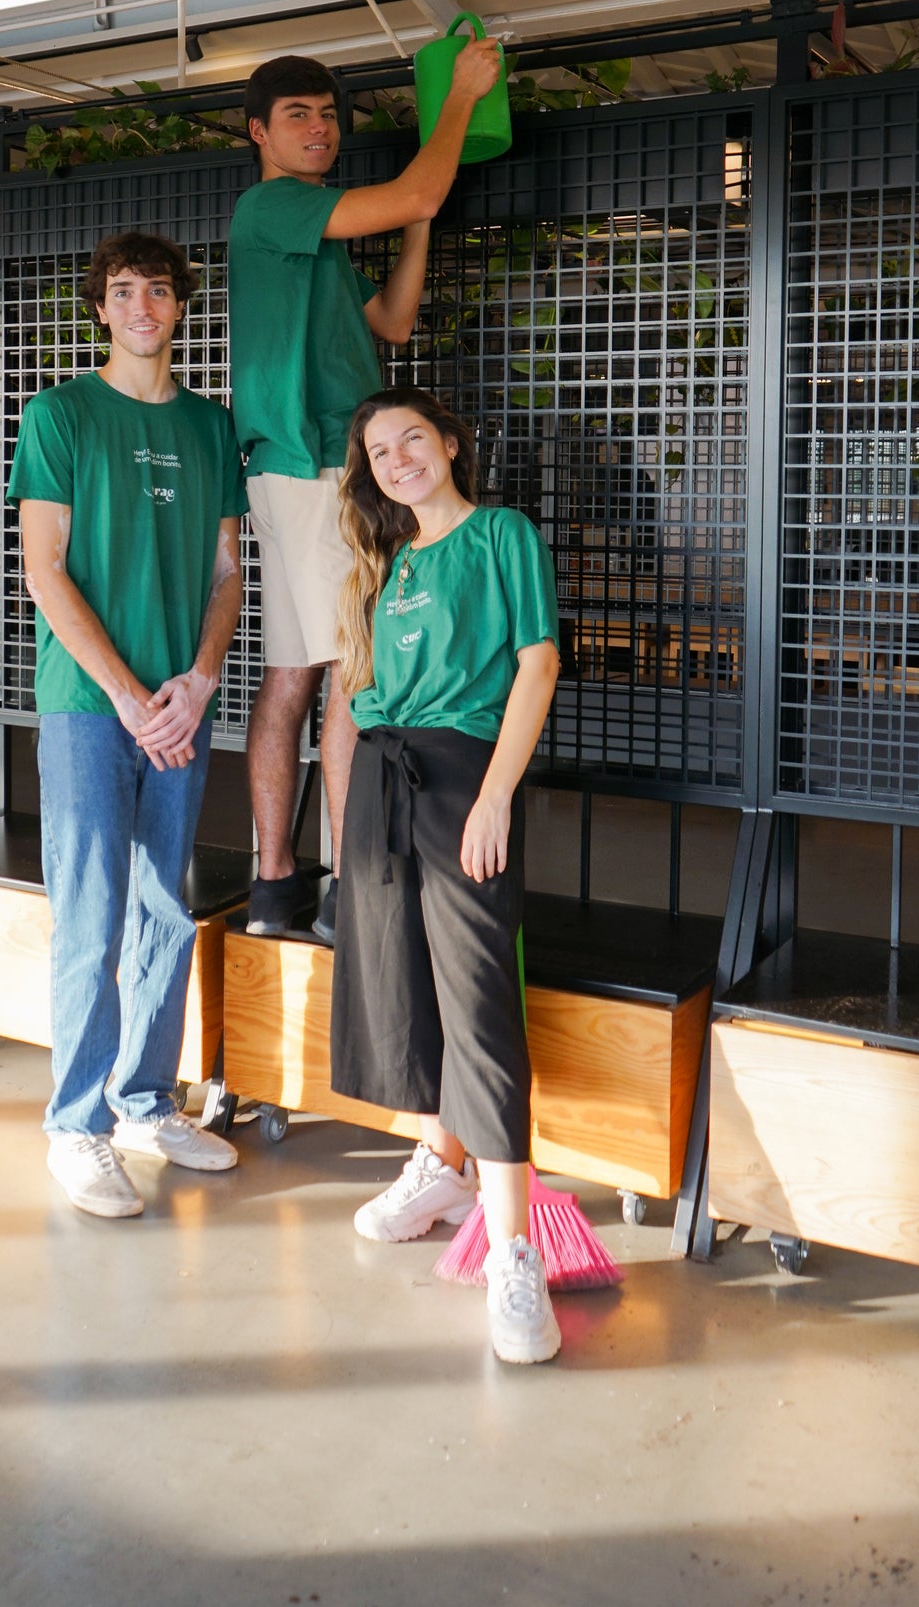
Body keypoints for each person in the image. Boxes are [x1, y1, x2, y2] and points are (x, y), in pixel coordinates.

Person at [229, 43, 504, 939]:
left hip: (311, 468)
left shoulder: (311, 234)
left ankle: (277, 886)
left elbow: (392, 321)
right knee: (350, 668)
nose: (319, 129)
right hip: (310, 463)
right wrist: (456, 101)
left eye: (327, 114)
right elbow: (416, 190)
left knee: (299, 673)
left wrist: (419, 223)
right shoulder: (275, 206)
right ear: (258, 132)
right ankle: (345, 890)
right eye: (298, 115)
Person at [8, 230, 246, 1220]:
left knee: (161, 904)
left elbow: (229, 572)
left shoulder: (211, 427)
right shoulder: (60, 413)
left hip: (178, 703)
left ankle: (145, 1100)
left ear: (180, 305)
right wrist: (124, 694)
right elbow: (43, 567)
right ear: (98, 309)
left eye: (158, 289)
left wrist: (196, 678)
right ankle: (77, 1125)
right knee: (93, 909)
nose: (141, 304)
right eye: (121, 290)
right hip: (88, 705)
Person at [329, 385, 564, 1365]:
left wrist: (495, 795)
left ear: (450, 443)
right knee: (396, 986)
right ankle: (438, 1161)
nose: (397, 459)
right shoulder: (384, 567)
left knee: (474, 1003)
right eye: (379, 451)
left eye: (411, 439)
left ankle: (513, 1254)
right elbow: (360, 695)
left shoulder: (499, 533)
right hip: (383, 783)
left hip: (465, 777)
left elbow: (537, 663)